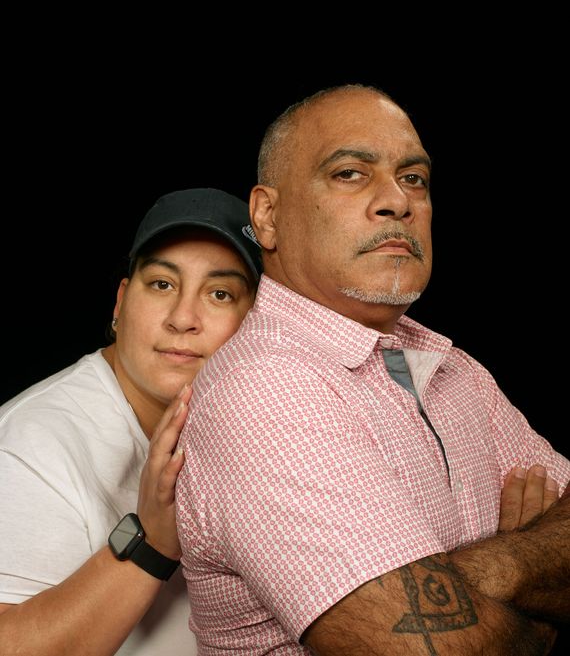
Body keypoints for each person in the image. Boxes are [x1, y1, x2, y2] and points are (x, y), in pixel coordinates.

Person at [175, 85, 570, 655]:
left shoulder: (455, 369)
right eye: (350, 174)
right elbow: (441, 649)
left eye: (414, 178)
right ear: (268, 216)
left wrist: (502, 567)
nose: (397, 201)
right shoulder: (263, 389)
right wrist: (544, 608)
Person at [0, 188, 262, 656]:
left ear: (256, 323)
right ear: (121, 303)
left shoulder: (263, 425)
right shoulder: (32, 444)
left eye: (219, 294)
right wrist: (150, 542)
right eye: (162, 284)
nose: (182, 318)